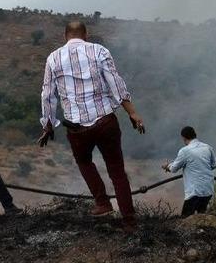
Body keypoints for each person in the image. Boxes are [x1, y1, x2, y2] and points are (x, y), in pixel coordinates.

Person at [37, 21, 145, 232]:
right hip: (105, 121)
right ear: (85, 34)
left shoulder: (53, 58)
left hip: (77, 129)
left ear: (64, 35)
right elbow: (116, 84)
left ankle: (102, 202)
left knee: (84, 161)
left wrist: (47, 125)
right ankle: (129, 222)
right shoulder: (99, 51)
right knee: (117, 172)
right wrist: (132, 112)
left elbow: (48, 95)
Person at [162, 126, 216, 216]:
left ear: (183, 137)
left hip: (194, 192)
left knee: (186, 220)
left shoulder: (185, 151)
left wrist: (166, 166)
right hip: (208, 190)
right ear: (195, 135)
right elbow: (214, 165)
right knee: (201, 216)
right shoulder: (207, 147)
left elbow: (173, 169)